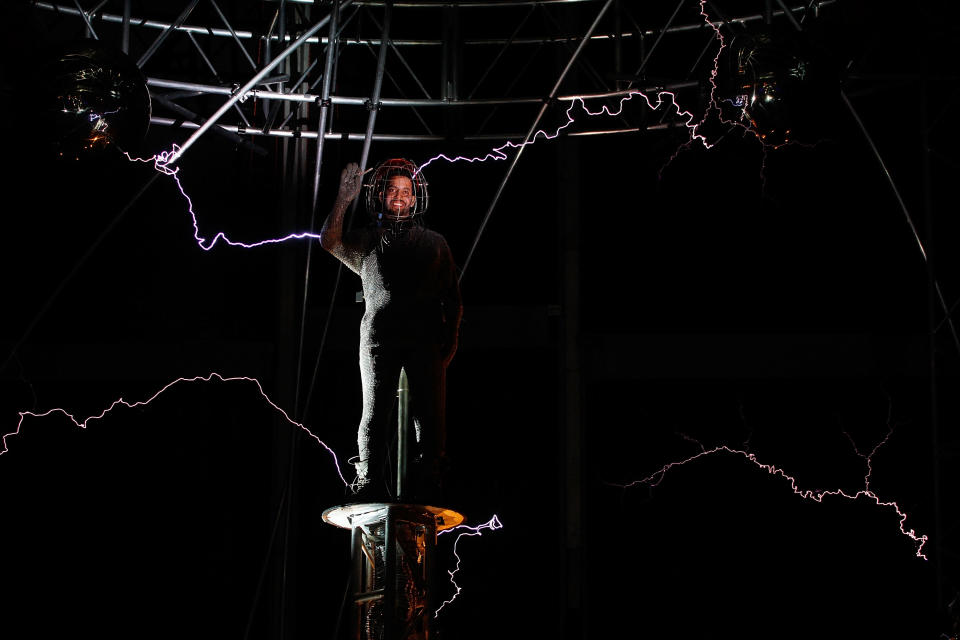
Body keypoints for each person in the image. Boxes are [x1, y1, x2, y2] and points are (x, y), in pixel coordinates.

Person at [321, 158, 462, 501]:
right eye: (391, 191)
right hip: (378, 341)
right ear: (380, 197)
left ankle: (428, 482)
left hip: (425, 339)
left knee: (429, 416)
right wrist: (343, 197)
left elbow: (453, 297)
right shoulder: (368, 240)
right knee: (374, 413)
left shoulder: (435, 243)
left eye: (405, 191)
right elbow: (330, 241)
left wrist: (452, 336)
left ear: (415, 199)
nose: (398, 197)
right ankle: (368, 479)